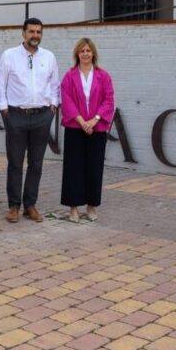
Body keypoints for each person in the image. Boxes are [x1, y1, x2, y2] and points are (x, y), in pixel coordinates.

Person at [0, 18, 60, 223]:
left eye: (38, 32)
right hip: (15, 116)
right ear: (23, 33)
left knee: (36, 163)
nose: (35, 35)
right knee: (15, 163)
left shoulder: (49, 57)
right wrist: (4, 110)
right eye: (31, 31)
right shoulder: (9, 56)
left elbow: (54, 84)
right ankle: (14, 206)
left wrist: (52, 107)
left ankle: (30, 205)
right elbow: (1, 84)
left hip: (42, 116)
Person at [60, 38, 115, 222]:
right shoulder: (69, 76)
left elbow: (109, 99)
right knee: (73, 167)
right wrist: (82, 121)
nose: (85, 54)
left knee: (94, 167)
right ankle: (73, 207)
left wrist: (94, 120)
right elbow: (66, 99)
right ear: (77, 54)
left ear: (93, 54)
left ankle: (91, 206)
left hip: (96, 128)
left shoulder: (103, 76)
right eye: (82, 51)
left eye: (88, 51)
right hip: (75, 127)